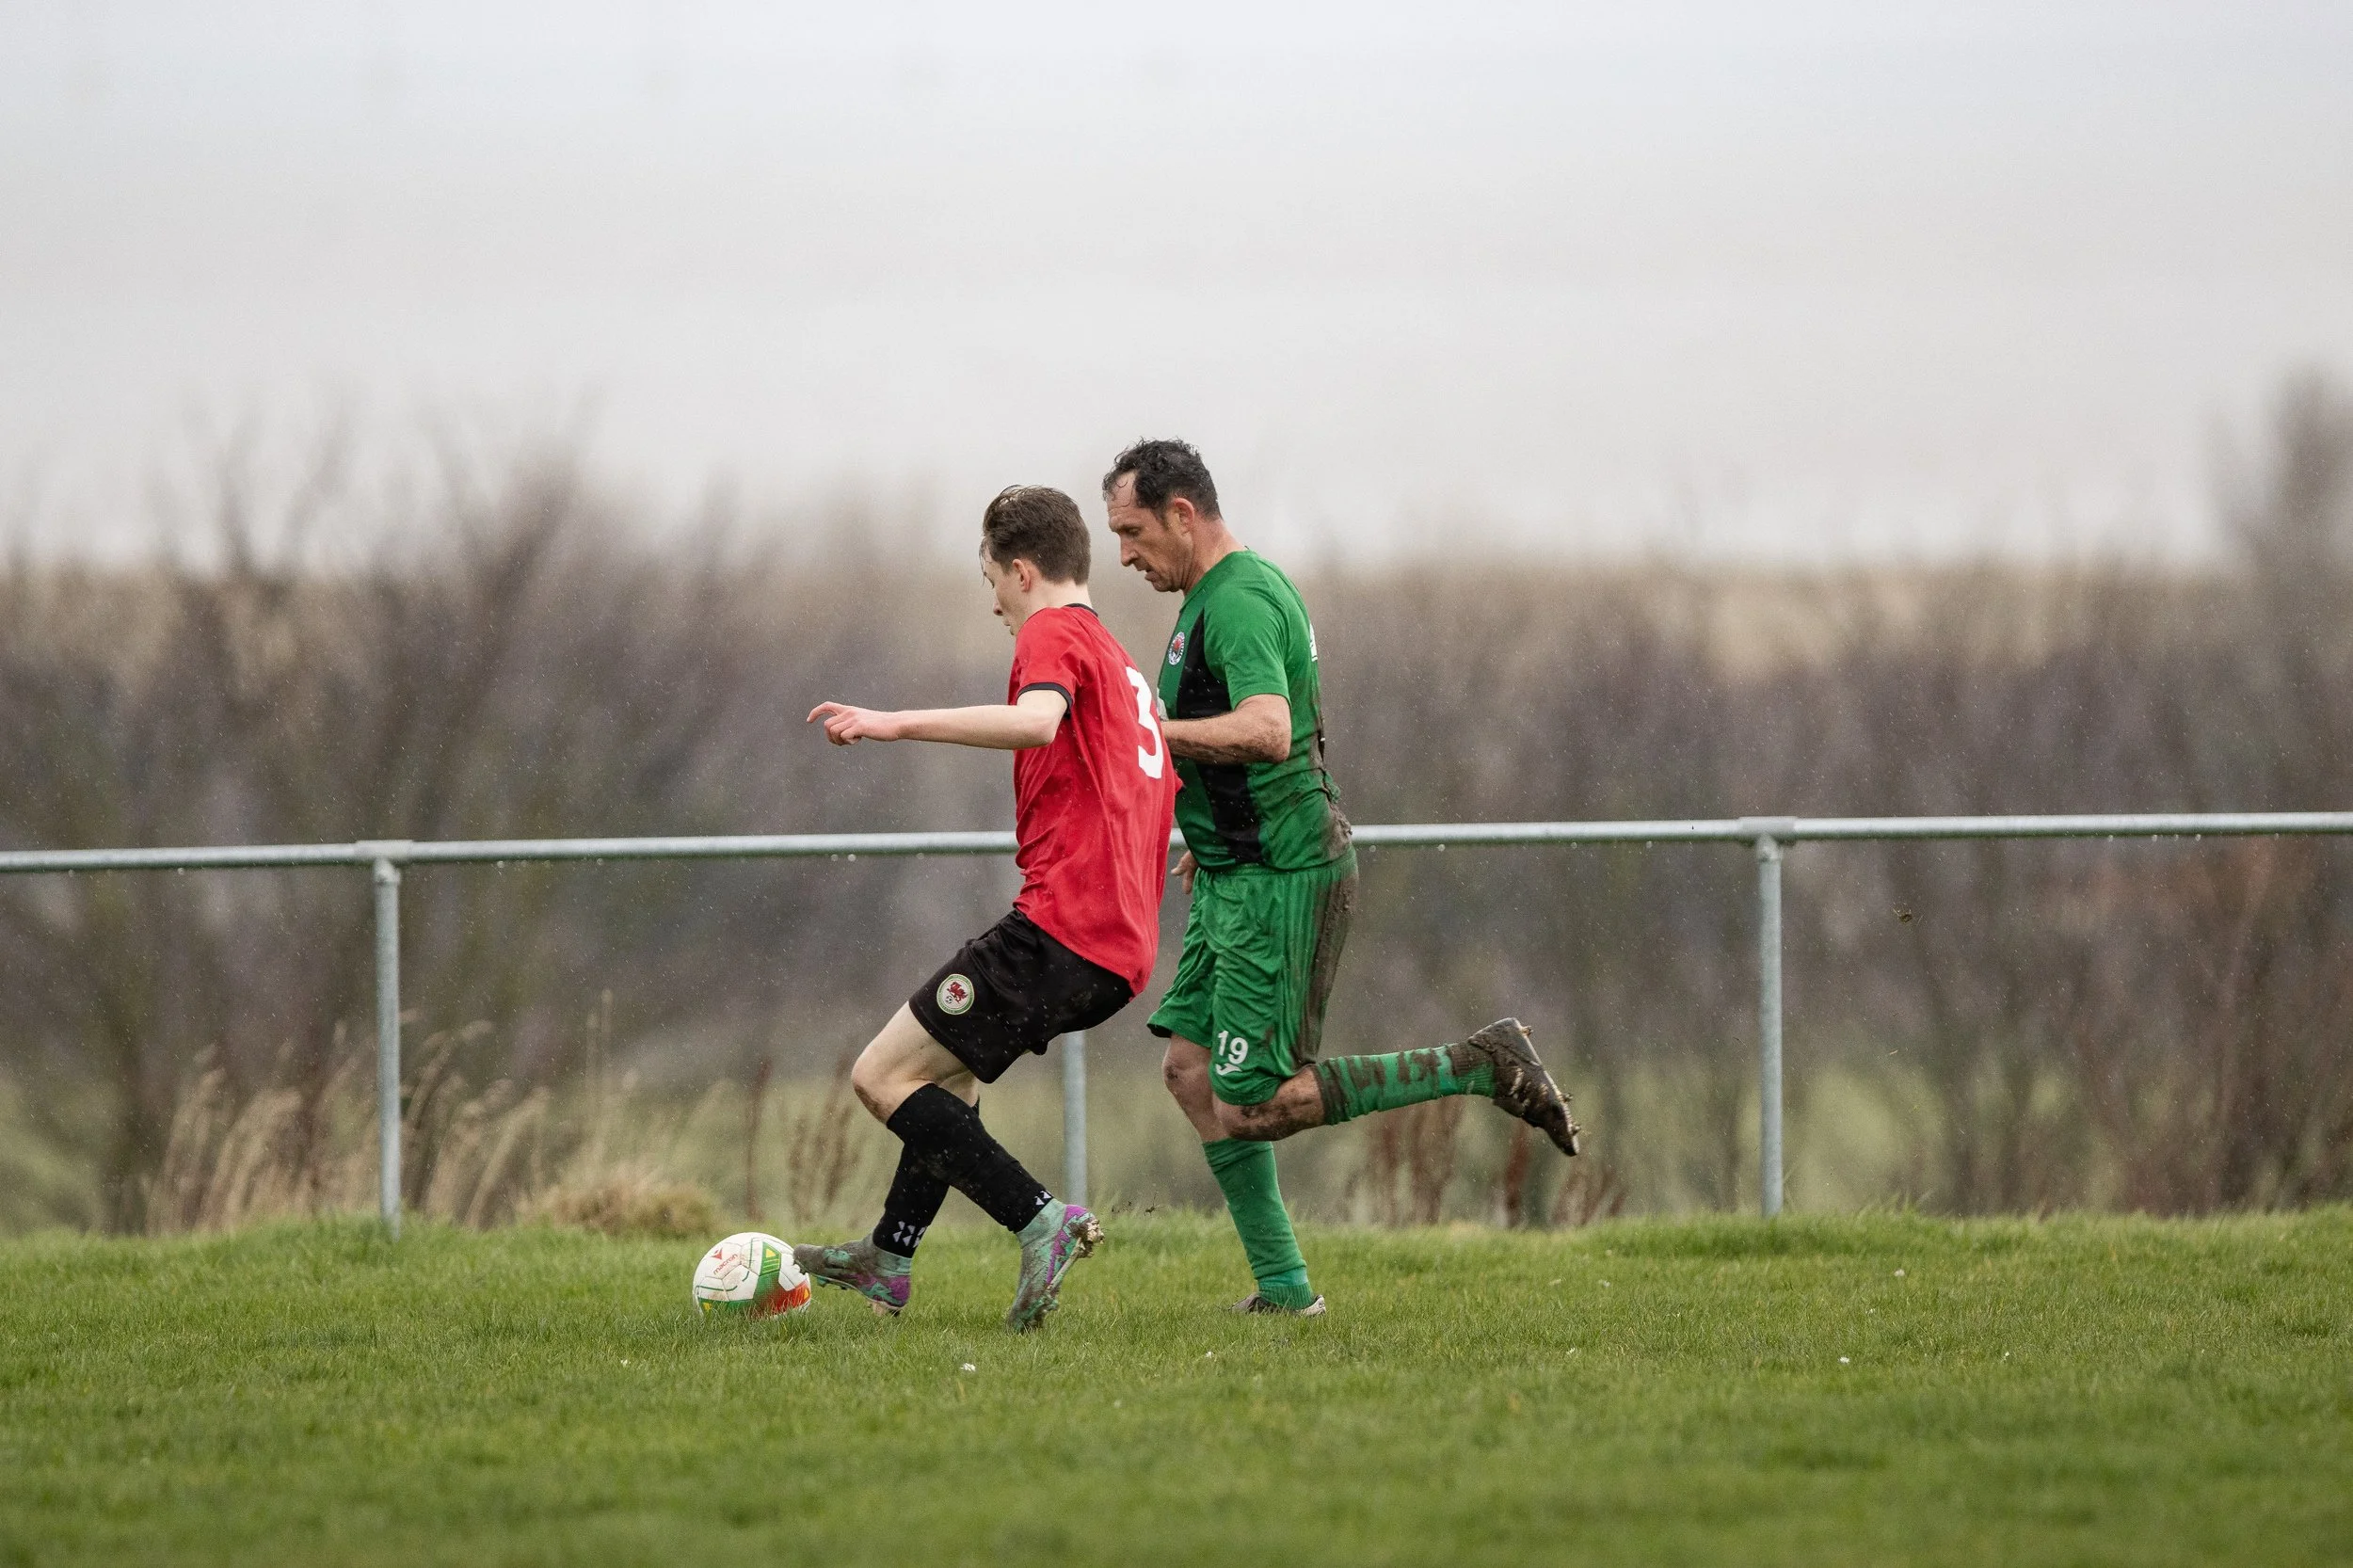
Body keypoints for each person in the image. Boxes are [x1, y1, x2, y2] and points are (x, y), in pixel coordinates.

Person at [1104, 439, 1580, 1316]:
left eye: (1132, 533)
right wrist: (1206, 829)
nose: (1125, 555)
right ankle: (1285, 1293)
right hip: (1236, 871)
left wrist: (1143, 735)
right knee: (1188, 1072)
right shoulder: (1220, 592)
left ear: (1182, 513)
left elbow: (1267, 729)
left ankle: (1477, 1064)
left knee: (1250, 1105)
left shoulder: (1240, 600)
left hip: (1282, 880)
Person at [798, 485, 1178, 1331]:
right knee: (949, 1078)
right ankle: (889, 1255)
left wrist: (894, 724)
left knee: (880, 1076)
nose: (993, 602)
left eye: (992, 581)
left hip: (1062, 929)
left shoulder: (1054, 631)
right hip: (1119, 949)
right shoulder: (1122, 662)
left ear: (1021, 569)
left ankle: (1041, 1219)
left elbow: (1037, 723)